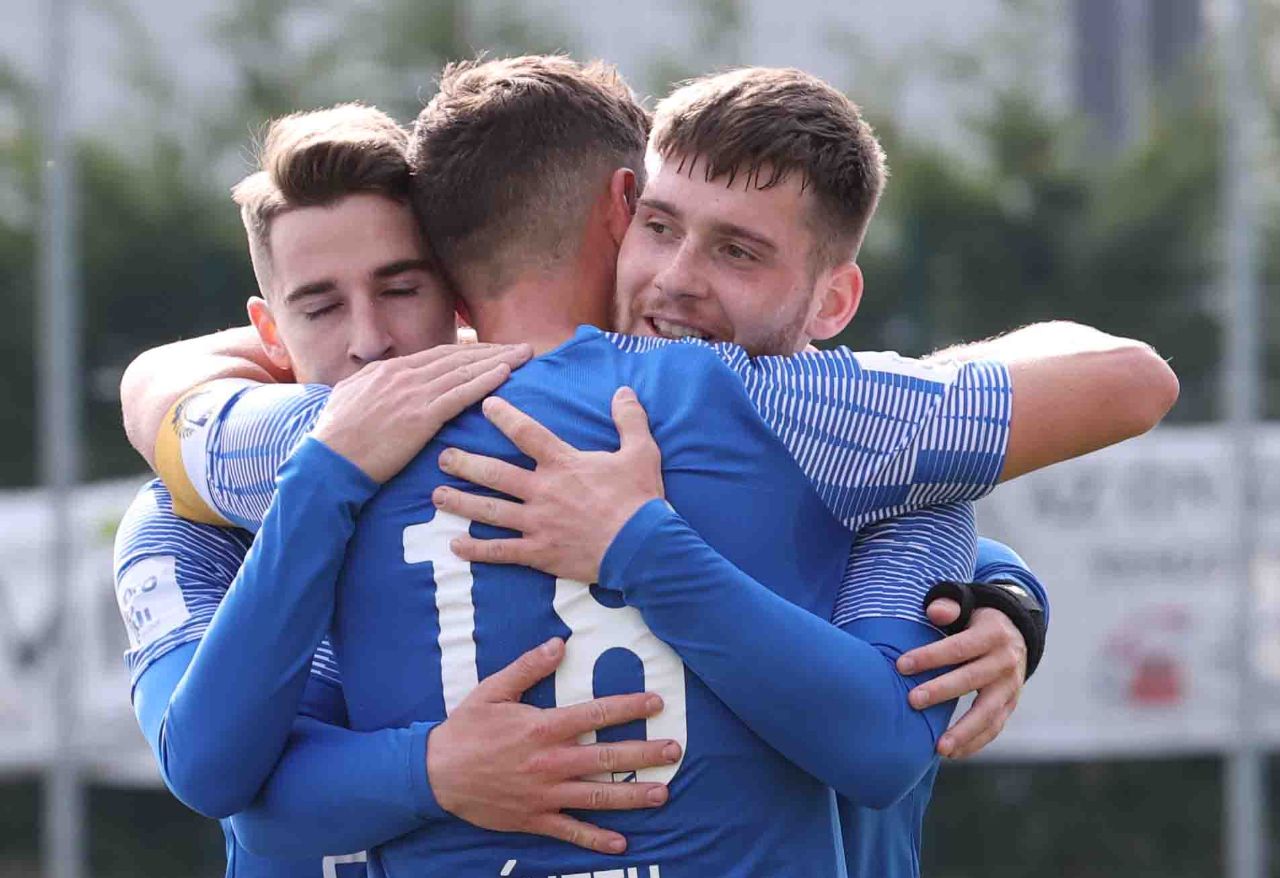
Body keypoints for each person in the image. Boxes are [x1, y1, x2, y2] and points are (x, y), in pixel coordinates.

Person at [132, 57, 1176, 877]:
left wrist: (1004, 598)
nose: (370, 342)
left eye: (736, 251)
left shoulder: (858, 453)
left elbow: (159, 397)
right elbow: (229, 784)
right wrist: (435, 767)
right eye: (664, 230)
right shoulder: (282, 461)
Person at [113, 103, 684, 878]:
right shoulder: (187, 516)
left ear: (457, 296)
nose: (369, 339)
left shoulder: (565, 455)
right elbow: (213, 775)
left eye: (401, 288)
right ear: (269, 332)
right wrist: (434, 769)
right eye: (320, 306)